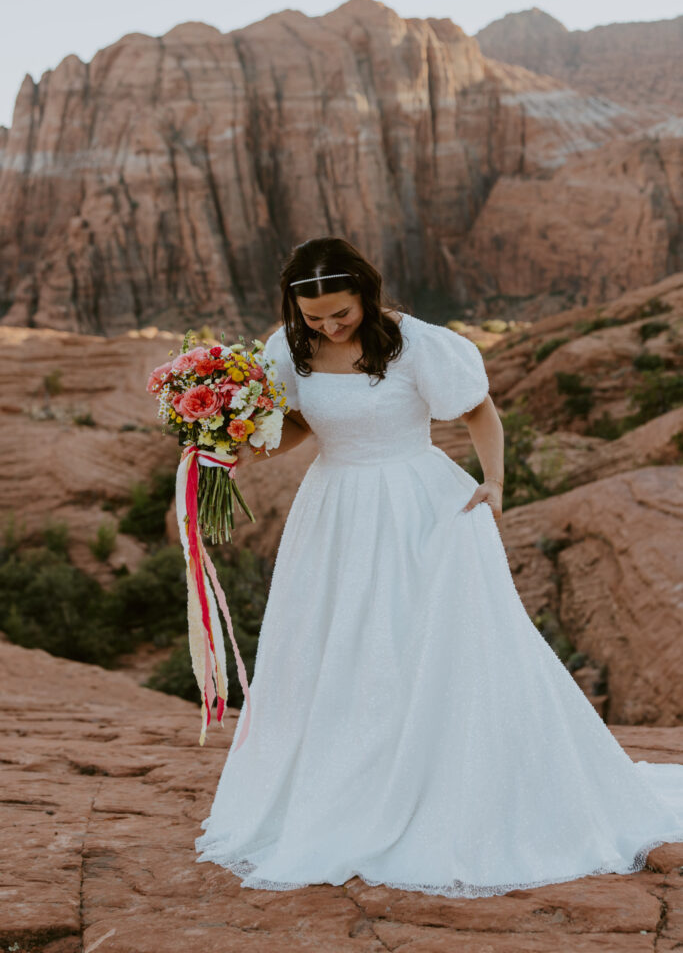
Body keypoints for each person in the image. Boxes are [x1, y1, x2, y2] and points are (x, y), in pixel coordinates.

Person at [195, 236, 683, 899]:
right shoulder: (286, 348)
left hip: (416, 505)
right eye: (315, 318)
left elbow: (479, 410)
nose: (329, 326)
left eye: (340, 313)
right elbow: (302, 426)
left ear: (365, 294)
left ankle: (439, 789)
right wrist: (239, 454)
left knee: (427, 645)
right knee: (336, 646)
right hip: (335, 508)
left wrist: (496, 481)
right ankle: (343, 789)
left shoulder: (416, 343)